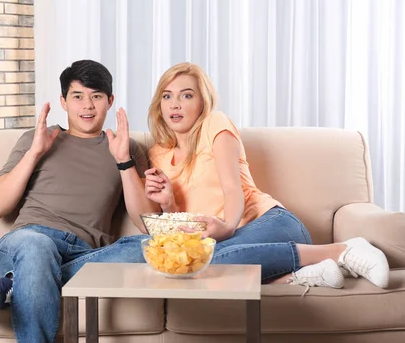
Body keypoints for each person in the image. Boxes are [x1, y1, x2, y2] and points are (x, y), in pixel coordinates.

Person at [144, 62, 390, 291]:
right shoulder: (158, 153)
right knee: (196, 264)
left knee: (205, 260)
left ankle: (341, 250)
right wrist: (168, 204)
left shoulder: (214, 124)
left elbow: (232, 188)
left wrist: (228, 227)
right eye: (167, 96)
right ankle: (301, 275)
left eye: (186, 95)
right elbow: (183, 217)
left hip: (272, 223)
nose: (174, 104)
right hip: (234, 246)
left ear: (202, 102)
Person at [0, 59, 155, 343]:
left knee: (153, 246)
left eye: (96, 96)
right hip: (28, 241)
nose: (87, 106)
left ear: (110, 101)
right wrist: (35, 153)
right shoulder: (36, 140)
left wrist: (123, 161)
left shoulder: (126, 147)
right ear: (63, 101)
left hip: (85, 254)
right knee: (38, 246)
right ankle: (27, 274)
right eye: (77, 96)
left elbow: (149, 224)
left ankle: (14, 283)